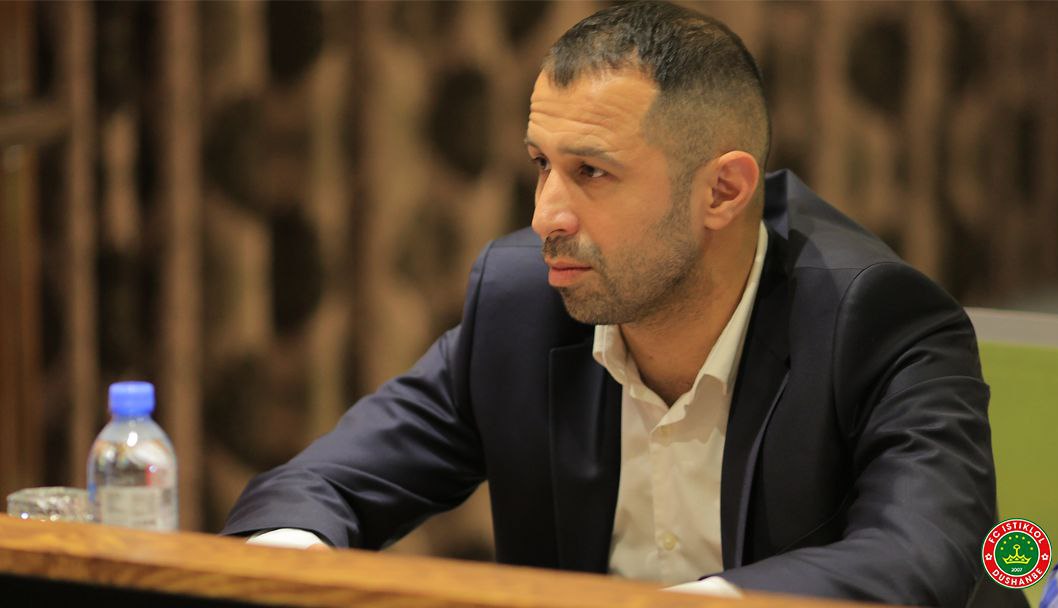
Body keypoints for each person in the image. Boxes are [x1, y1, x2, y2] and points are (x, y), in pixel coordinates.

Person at [224, 2, 1002, 605]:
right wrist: (291, 560)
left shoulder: (876, 320)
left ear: (723, 191)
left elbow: (922, 554)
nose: (545, 217)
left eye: (592, 172)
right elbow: (321, 487)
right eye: (542, 164)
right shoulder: (522, 305)